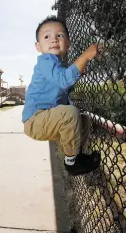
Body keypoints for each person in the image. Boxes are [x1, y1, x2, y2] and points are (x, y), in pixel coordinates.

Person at [22, 16, 102, 176]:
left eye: (59, 35)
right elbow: (64, 80)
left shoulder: (58, 67)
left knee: (83, 119)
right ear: (38, 46)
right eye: (47, 37)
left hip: (49, 119)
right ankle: (72, 162)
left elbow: (62, 83)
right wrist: (85, 57)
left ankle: (74, 157)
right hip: (35, 120)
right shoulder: (46, 60)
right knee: (70, 112)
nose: (53, 40)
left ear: (68, 43)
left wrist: (77, 72)